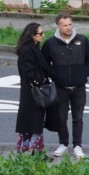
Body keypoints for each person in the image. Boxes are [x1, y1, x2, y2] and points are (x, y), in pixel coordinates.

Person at [43, 13, 89, 159]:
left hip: (79, 87)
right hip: (60, 88)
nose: (68, 27)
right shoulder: (50, 43)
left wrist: (85, 73)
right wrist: (55, 75)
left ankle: (77, 146)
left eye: (70, 24)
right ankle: (63, 144)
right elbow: (44, 62)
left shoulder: (82, 40)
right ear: (58, 26)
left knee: (78, 118)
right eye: (65, 25)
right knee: (61, 118)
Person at [15, 22, 56, 154]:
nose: (43, 35)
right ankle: (30, 151)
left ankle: (33, 152)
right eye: (41, 33)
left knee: (34, 122)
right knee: (32, 122)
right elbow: (28, 71)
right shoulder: (27, 50)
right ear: (32, 35)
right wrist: (41, 81)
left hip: (34, 91)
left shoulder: (34, 47)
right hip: (32, 92)